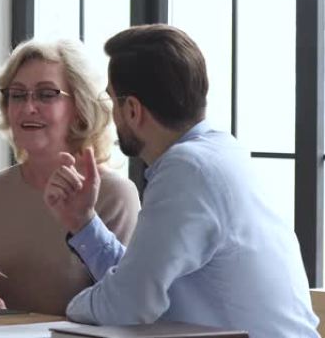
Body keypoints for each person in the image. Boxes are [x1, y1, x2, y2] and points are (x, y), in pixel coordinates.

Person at [44, 24, 319, 337]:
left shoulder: (187, 170)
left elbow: (130, 304)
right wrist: (84, 223)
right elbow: (138, 285)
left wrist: (67, 309)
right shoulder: (222, 152)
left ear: (132, 109)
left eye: (111, 101)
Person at [0, 39, 140, 315]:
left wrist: (9, 316)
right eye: (17, 94)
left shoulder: (115, 194)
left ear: (80, 108)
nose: (28, 107)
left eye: (46, 94)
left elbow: (123, 309)